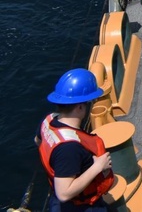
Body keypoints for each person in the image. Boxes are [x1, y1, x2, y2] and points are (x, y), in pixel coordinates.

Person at [37, 69, 115, 211]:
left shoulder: (48, 121)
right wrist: (98, 166)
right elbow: (64, 193)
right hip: (80, 207)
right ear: (80, 107)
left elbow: (38, 141)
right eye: (90, 102)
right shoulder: (70, 148)